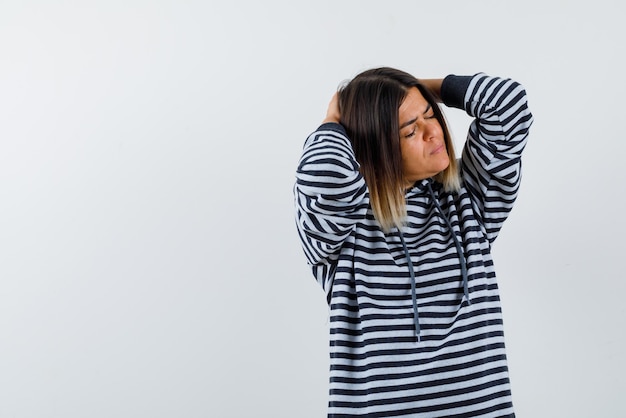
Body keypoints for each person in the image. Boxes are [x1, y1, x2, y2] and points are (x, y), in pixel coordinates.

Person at [294, 67, 533, 417]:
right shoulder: (342, 229)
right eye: (410, 130)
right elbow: (326, 176)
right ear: (375, 146)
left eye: (430, 115)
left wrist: (420, 89)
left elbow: (508, 105)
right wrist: (333, 118)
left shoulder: (468, 200)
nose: (433, 132)